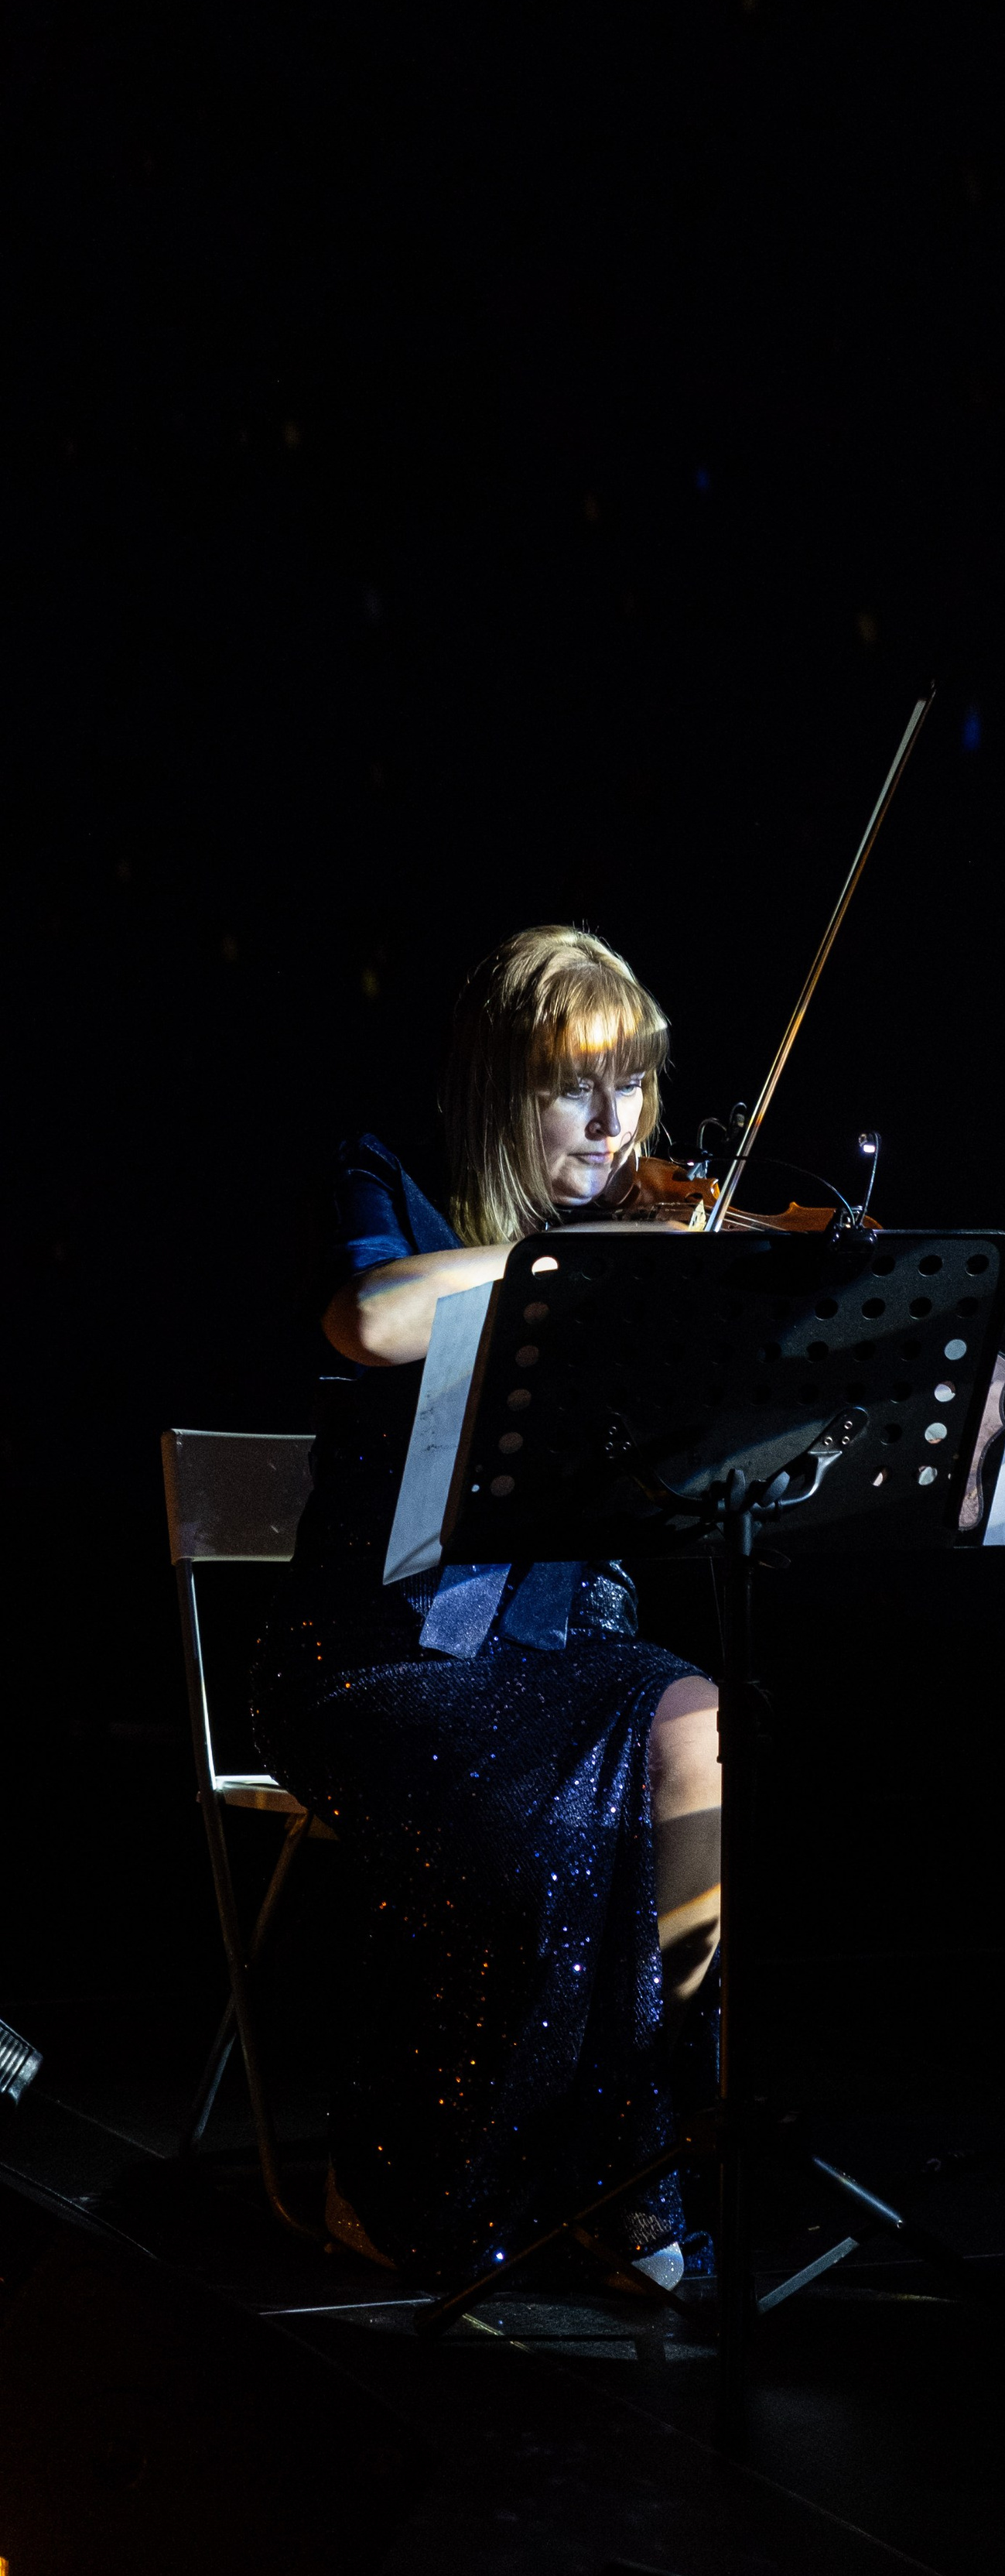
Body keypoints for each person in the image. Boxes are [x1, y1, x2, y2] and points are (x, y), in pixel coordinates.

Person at [254, 924, 720, 2288]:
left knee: (694, 1718)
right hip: (373, 1662)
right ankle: (403, 2172)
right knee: (540, 1825)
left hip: (563, 1652)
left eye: (631, 1083)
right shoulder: (394, 1180)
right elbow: (378, 1322)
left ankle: (652, 2141)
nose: (611, 1120)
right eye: (571, 1085)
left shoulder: (637, 1243)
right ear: (498, 1093)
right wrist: (562, 1267)